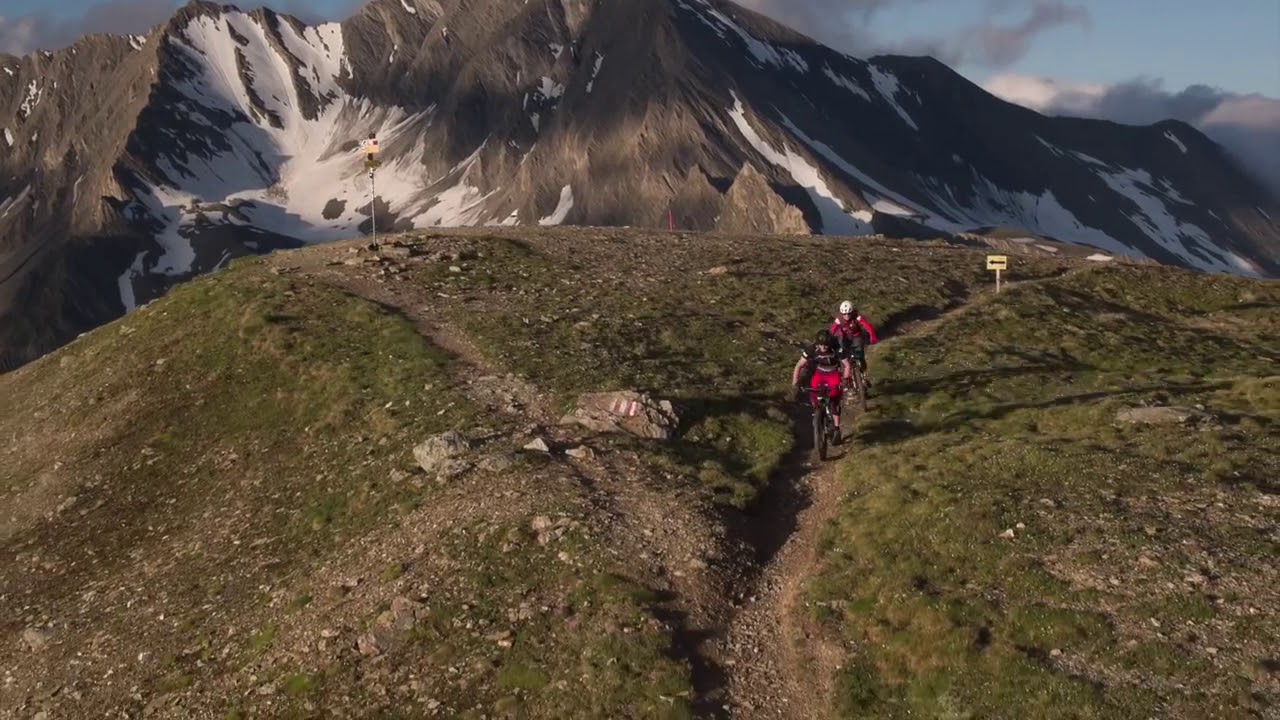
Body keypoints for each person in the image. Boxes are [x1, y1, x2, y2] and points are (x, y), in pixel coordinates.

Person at [791, 329, 853, 440]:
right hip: (819, 373)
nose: (823, 347)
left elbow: (847, 365)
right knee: (813, 390)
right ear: (817, 344)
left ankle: (836, 427)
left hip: (833, 373)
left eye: (826, 345)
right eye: (821, 345)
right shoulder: (812, 349)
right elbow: (799, 365)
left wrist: (845, 379)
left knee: (834, 397)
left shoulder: (836, 348)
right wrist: (795, 380)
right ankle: (817, 410)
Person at [829, 300, 877, 390]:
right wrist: (829, 341)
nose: (846, 316)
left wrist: (872, 336)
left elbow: (867, 326)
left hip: (856, 336)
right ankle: (845, 378)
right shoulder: (839, 320)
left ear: (852, 312)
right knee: (841, 353)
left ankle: (864, 375)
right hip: (844, 338)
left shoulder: (857, 317)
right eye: (844, 314)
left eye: (848, 314)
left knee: (860, 355)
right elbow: (832, 330)